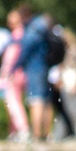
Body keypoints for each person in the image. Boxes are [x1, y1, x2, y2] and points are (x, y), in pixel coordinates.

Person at [20, 10, 57, 143]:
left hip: (35, 68)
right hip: (46, 68)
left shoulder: (34, 28)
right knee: (46, 101)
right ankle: (47, 134)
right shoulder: (44, 28)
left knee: (36, 100)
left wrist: (16, 66)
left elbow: (25, 50)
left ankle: (36, 135)